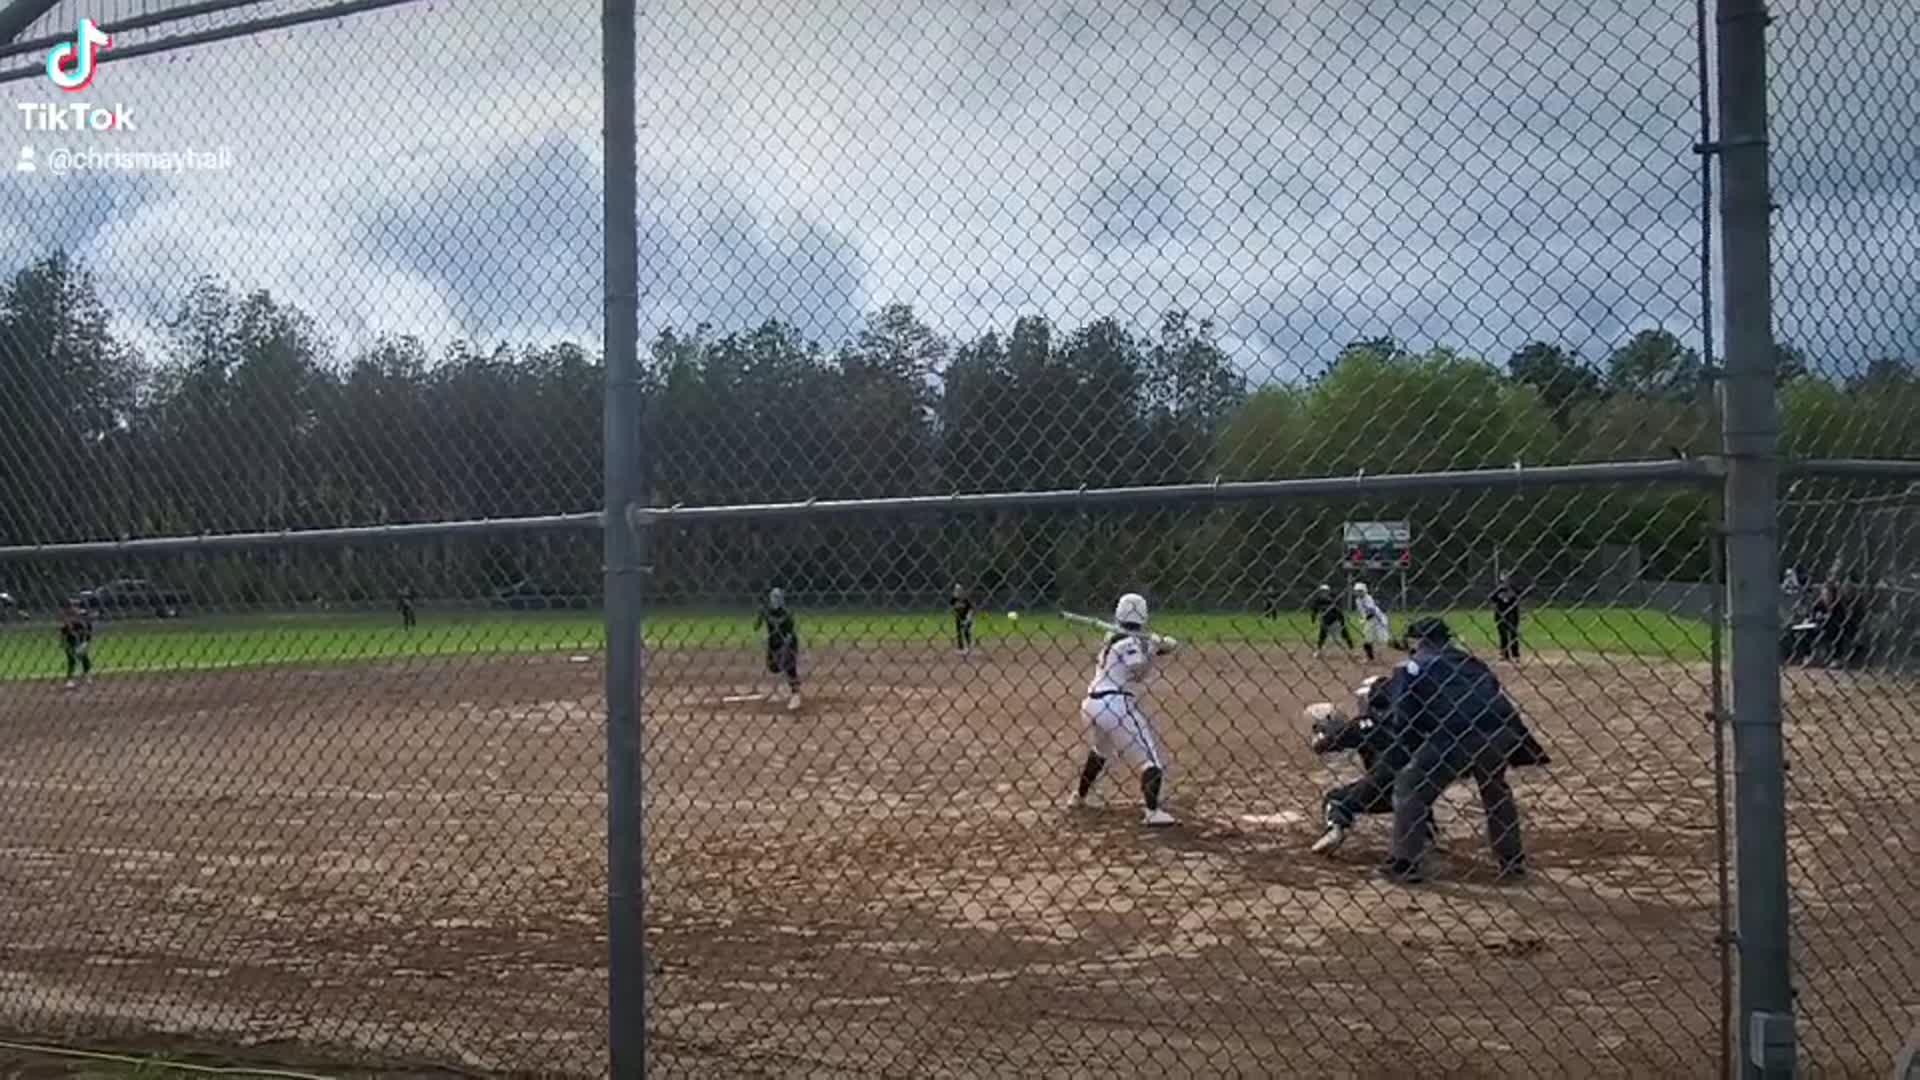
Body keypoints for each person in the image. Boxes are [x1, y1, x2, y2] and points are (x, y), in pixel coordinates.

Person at [1381, 616, 1535, 884]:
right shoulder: (1470, 661)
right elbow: (1491, 689)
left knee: (1409, 787)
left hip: (1456, 734)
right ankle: (1512, 861)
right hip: (1502, 730)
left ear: (1418, 641)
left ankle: (1403, 863)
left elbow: (1403, 718)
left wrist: (1404, 753)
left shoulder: (1411, 666)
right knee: (1495, 789)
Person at [1067, 592, 1180, 826]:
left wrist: (1161, 646)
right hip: (1115, 704)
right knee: (1150, 761)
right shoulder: (1129, 642)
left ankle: (1079, 797)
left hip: (1091, 705)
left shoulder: (1115, 636)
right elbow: (1138, 671)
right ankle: (1152, 812)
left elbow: (1144, 649)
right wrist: (1152, 650)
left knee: (1100, 752)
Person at [753, 588, 803, 711]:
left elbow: (790, 634)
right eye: (773, 598)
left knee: (789, 666)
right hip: (774, 643)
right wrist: (760, 615)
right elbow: (755, 627)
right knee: (773, 668)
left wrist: (785, 649)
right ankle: (787, 687)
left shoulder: (786, 613)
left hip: (788, 642)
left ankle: (795, 695)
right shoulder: (767, 611)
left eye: (777, 598)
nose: (775, 601)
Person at [1308, 585, 1352, 654]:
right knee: (1322, 635)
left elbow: (1340, 610)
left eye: (1325, 591)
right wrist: (1313, 618)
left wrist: (1342, 620)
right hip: (1325, 620)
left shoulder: (1334, 598)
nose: (1324, 593)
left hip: (1336, 619)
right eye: (1322, 591)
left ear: (1328, 591)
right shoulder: (1318, 599)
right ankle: (1319, 650)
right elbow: (1314, 609)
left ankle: (1351, 648)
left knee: (1345, 633)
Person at [59, 603, 93, 688]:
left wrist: (85, 644)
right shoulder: (68, 624)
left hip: (82, 643)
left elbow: (88, 636)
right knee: (71, 661)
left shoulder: (86, 624)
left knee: (85, 659)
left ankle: (87, 676)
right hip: (70, 644)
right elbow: (63, 635)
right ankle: (69, 680)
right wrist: (63, 644)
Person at [1352, 583, 1389, 661]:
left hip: (1379, 620)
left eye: (1360, 591)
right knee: (1367, 639)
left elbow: (1372, 612)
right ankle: (1370, 657)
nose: (1358, 593)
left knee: (1383, 639)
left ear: (1364, 591)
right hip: (1370, 621)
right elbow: (1363, 612)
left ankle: (1381, 654)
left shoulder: (1368, 598)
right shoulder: (1357, 600)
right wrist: (1364, 618)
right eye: (1357, 591)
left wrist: (1364, 620)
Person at [1489, 576, 1523, 661]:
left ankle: (1515, 655)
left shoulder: (1514, 590)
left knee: (1513, 635)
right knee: (1503, 635)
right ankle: (1504, 654)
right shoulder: (1498, 591)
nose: (1505, 583)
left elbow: (1521, 594)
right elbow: (1492, 600)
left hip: (1512, 615)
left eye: (1507, 580)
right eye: (1503, 581)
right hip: (1500, 615)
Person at [950, 583, 975, 654]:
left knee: (966, 631)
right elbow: (952, 606)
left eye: (958, 590)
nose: (957, 591)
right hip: (959, 617)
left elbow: (971, 609)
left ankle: (969, 646)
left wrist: (968, 619)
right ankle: (961, 647)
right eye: (955, 590)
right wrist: (954, 612)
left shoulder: (965, 599)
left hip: (967, 616)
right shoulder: (954, 599)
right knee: (958, 632)